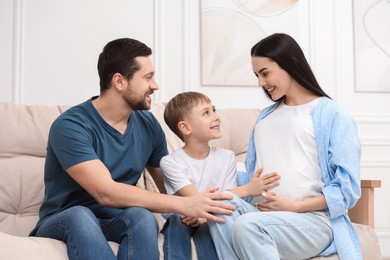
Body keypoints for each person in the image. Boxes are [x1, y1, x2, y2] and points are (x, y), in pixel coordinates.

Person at [29, 38, 236, 260]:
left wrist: (196, 208)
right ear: (119, 81)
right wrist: (184, 204)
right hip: (63, 220)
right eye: (148, 77)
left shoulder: (148, 125)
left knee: (142, 216)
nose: (155, 85)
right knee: (80, 215)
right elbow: (105, 192)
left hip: (115, 220)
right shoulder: (71, 126)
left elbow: (168, 188)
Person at [208, 33, 362, 260]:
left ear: (290, 63)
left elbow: (347, 192)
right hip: (261, 215)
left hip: (312, 220)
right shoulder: (265, 116)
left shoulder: (332, 114)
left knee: (248, 226)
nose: (260, 82)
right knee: (219, 207)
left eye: (265, 73)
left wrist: (293, 206)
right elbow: (255, 173)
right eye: (257, 75)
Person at [160, 91, 280, 260]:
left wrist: (203, 218)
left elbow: (228, 199)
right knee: (176, 221)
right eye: (206, 113)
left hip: (213, 216)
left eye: (214, 110)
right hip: (184, 215)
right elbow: (195, 200)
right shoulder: (170, 162)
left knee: (215, 225)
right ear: (186, 128)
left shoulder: (227, 157)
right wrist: (248, 189)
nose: (216, 117)